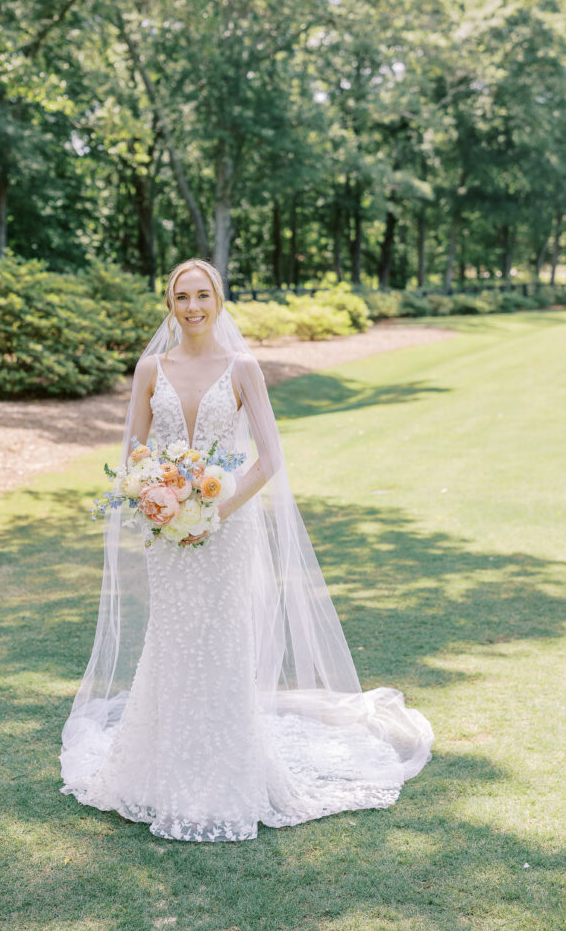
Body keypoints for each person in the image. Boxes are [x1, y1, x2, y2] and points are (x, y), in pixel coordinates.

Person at [59, 258, 434, 842]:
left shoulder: (243, 368)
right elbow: (132, 449)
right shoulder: (150, 367)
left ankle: (225, 776)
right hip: (166, 536)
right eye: (181, 296)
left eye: (202, 295)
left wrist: (212, 511)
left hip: (224, 531)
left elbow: (269, 459)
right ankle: (158, 774)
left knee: (223, 643)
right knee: (173, 641)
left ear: (219, 299)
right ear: (169, 303)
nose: (192, 307)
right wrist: (155, 496)